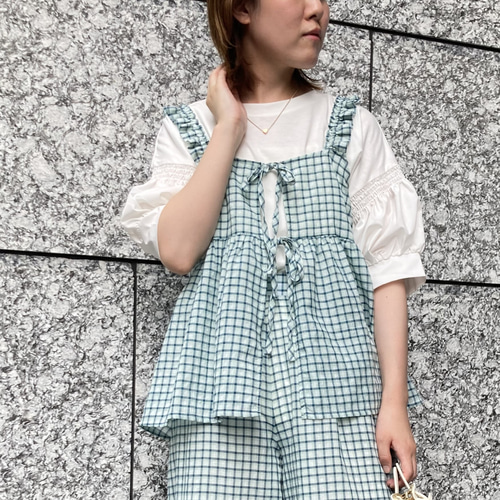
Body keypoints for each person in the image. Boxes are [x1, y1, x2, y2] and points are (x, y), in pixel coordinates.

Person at [121, 0, 426, 497]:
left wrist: (394, 403)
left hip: (338, 385)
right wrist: (228, 129)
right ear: (242, 8)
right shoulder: (192, 128)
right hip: (221, 385)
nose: (318, 10)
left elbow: (388, 268)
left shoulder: (349, 125)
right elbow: (178, 250)